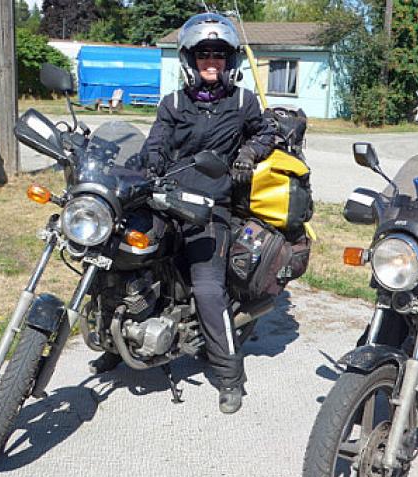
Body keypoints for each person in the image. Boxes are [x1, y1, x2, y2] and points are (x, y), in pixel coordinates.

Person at [89, 13, 277, 415]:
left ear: (230, 61)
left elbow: (265, 132)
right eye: (204, 54)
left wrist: (247, 153)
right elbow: (155, 147)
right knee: (117, 255)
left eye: (219, 55)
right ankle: (115, 342)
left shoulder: (244, 102)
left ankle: (229, 375)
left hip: (211, 208)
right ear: (190, 60)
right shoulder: (172, 103)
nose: (212, 61)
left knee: (208, 287)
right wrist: (140, 170)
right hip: (165, 198)